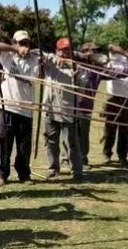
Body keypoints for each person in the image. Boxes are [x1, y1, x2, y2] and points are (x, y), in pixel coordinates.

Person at [0, 30, 39, 186]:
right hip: (7, 106)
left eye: (26, 43)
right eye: (21, 43)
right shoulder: (7, 56)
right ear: (14, 43)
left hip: (26, 108)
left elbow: (41, 75)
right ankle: (1, 173)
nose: (25, 46)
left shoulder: (34, 60)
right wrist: (15, 49)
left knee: (24, 145)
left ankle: (23, 173)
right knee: (4, 141)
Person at [42, 38, 83, 180]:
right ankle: (53, 169)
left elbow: (82, 83)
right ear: (56, 50)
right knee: (50, 140)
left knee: (71, 143)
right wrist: (54, 58)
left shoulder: (76, 66)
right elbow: (40, 55)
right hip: (50, 107)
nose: (64, 52)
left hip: (67, 110)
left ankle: (77, 171)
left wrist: (74, 69)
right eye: (61, 49)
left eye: (67, 49)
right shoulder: (50, 61)